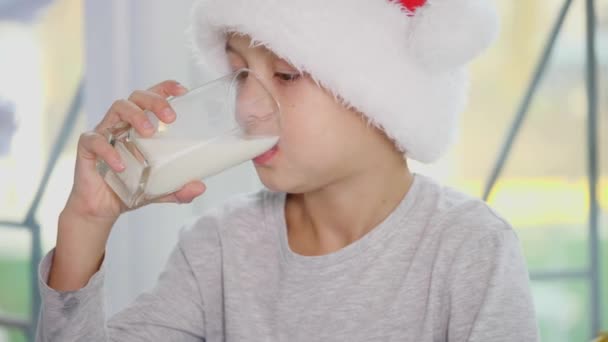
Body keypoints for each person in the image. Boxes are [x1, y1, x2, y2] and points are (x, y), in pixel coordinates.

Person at [36, 0, 539, 341]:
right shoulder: (220, 248)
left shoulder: (469, 249)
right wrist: (85, 222)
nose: (247, 106)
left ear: (379, 94)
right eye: (238, 72)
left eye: (285, 75)